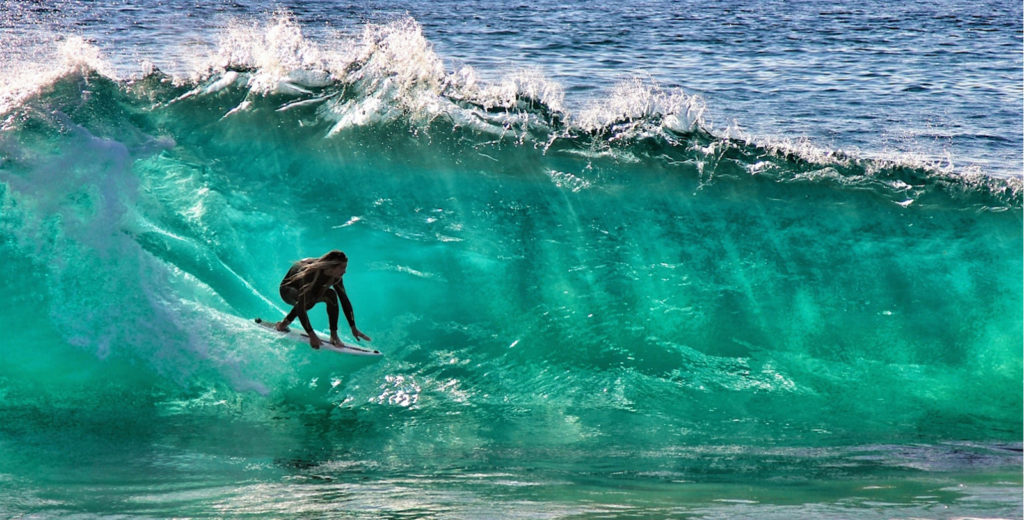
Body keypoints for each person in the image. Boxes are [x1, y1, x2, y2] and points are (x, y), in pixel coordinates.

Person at [274, 250, 372, 349]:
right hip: (287, 291)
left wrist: (353, 327)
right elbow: (301, 306)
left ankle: (334, 336)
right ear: (332, 267)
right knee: (308, 300)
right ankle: (283, 324)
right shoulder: (310, 273)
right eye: (342, 267)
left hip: (305, 293)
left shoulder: (336, 277)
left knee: (331, 295)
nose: (345, 271)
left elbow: (344, 300)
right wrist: (312, 335)